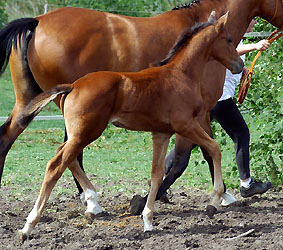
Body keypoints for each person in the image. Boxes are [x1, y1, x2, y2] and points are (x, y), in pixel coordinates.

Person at [211, 18, 271, 205]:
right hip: (220, 98)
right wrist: (255, 46)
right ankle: (246, 184)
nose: (254, 20)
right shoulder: (233, 37)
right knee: (241, 133)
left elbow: (231, 58)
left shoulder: (236, 35)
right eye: (252, 17)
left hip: (216, 98)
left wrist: (241, 67)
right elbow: (231, 51)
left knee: (190, 142)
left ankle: (162, 180)